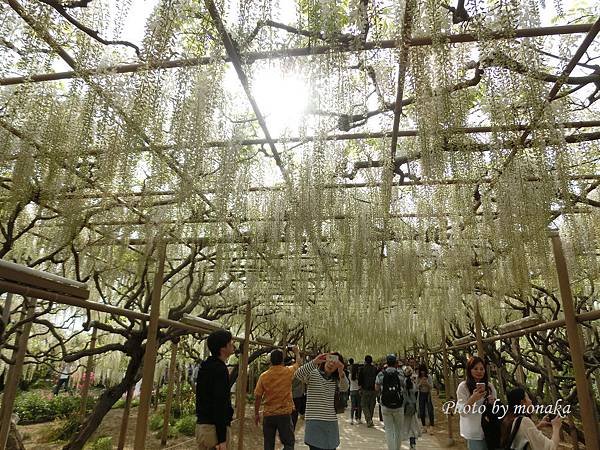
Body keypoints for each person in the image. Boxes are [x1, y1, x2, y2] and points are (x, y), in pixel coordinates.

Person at [295, 352, 349, 450]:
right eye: (330, 359)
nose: (331, 364)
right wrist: (314, 362)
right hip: (314, 422)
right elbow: (298, 374)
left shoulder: (336, 380)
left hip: (331, 423)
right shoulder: (313, 373)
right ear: (325, 360)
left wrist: (341, 370)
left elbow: (345, 388)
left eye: (335, 362)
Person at [254, 346, 301, 450]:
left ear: (270, 361)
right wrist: (296, 352)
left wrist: (256, 413)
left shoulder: (264, 376)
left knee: (268, 444)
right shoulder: (288, 372)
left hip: (268, 415)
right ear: (282, 360)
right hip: (284, 414)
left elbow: (257, 396)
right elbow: (298, 363)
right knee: (289, 443)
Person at [195, 329, 236, 450]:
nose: (233, 345)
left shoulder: (205, 366)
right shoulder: (220, 369)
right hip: (213, 432)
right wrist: (222, 439)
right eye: (230, 343)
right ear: (223, 348)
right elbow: (220, 404)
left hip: (203, 427)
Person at [456, 356, 497, 450]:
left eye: (482, 369)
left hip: (490, 430)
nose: (479, 371)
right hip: (474, 431)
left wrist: (492, 402)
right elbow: (462, 412)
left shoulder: (489, 386)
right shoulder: (463, 387)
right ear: (469, 370)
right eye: (475, 369)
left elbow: (495, 408)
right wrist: (472, 399)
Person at [375, 354, 405, 450]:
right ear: (396, 363)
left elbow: (376, 388)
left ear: (387, 363)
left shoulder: (381, 374)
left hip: (385, 405)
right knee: (398, 430)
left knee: (388, 430)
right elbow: (405, 385)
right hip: (398, 405)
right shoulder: (400, 374)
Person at [402, 366, 421, 450]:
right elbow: (415, 392)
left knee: (406, 425)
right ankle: (412, 443)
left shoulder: (403, 383)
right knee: (413, 425)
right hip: (412, 406)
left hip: (406, 406)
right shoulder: (412, 383)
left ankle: (406, 441)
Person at [358, 355, 378, 427]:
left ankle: (369, 420)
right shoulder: (375, 369)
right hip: (373, 390)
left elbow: (360, 380)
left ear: (365, 361)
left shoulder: (362, 369)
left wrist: (360, 389)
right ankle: (370, 419)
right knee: (371, 405)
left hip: (365, 389)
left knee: (364, 404)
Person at [416, 364, 434, 433]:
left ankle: (431, 427)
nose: (422, 372)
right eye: (421, 371)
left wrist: (426, 383)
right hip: (421, 394)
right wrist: (420, 383)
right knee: (422, 410)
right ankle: (424, 427)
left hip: (428, 394)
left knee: (430, 410)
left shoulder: (428, 377)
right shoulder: (418, 377)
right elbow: (416, 387)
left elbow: (431, 386)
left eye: (423, 371)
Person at [348, 358, 362, 425]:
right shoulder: (359, 376)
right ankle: (359, 419)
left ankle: (351, 419)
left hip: (352, 390)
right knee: (359, 406)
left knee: (353, 406)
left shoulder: (350, 375)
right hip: (358, 391)